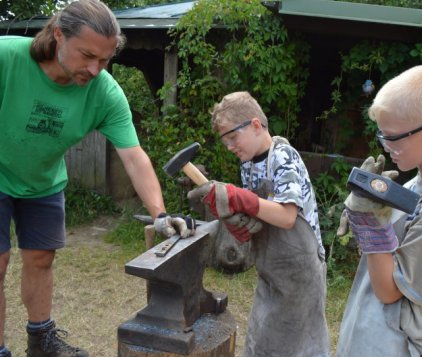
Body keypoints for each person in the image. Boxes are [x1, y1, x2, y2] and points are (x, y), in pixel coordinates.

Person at [0, 1, 193, 356]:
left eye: (104, 60)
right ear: (59, 35)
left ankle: (41, 342)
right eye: (87, 55)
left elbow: (134, 157)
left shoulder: (105, 93)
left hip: (43, 182)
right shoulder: (7, 57)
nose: (94, 69)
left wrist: (160, 214)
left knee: (42, 259)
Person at [335, 64, 422, 356]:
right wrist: (376, 201)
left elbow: (389, 291)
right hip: (370, 333)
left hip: (392, 346)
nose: (385, 146)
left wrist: (370, 225)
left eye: (392, 137)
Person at [187, 91, 330, 357]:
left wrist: (241, 199)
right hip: (270, 270)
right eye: (225, 141)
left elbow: (287, 217)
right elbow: (261, 215)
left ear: (255, 124)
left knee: (296, 347)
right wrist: (237, 220)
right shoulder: (248, 165)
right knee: (261, 341)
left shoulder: (284, 156)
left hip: (301, 275)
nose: (230, 146)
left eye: (233, 137)